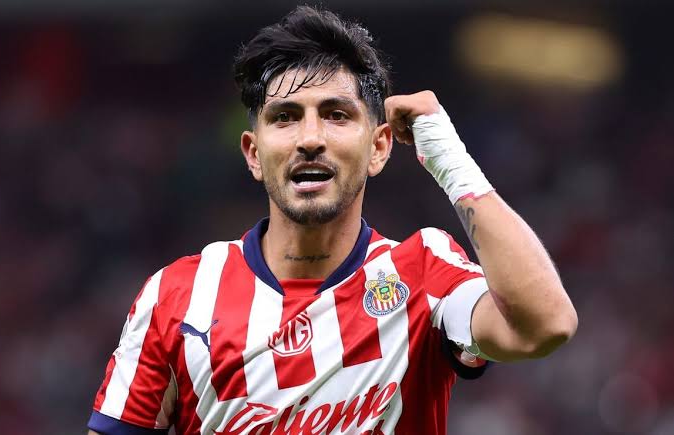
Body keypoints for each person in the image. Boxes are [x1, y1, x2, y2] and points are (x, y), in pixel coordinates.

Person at [87, 6, 578, 435]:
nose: (310, 138)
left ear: (379, 147)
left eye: (336, 114)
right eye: (285, 117)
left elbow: (545, 326)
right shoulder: (176, 297)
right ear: (253, 154)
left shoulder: (424, 273)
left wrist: (452, 162)